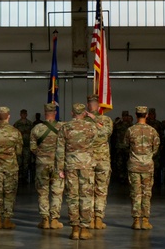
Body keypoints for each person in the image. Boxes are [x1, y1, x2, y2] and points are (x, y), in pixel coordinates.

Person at [57, 103, 98, 240]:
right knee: (86, 196)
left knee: (72, 196)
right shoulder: (91, 127)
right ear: (84, 113)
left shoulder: (65, 127)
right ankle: (84, 229)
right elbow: (97, 138)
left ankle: (74, 229)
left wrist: (59, 168)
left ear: (71, 113)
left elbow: (60, 149)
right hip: (86, 165)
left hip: (70, 165)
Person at [0, 107, 23, 229]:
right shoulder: (15, 132)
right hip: (11, 167)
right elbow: (19, 151)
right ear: (9, 116)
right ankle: (7, 220)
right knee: (10, 193)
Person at [126, 106, 160, 230]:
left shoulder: (130, 130)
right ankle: (145, 221)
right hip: (147, 166)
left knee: (135, 193)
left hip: (134, 165)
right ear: (146, 115)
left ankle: (136, 220)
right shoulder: (152, 131)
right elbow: (156, 147)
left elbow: (126, 144)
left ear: (136, 115)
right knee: (146, 193)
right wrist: (148, 156)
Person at [31, 103, 63, 229]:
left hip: (42, 165)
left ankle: (44, 219)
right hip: (57, 164)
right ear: (55, 113)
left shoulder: (37, 128)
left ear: (45, 113)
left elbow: (33, 147)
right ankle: (54, 220)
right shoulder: (62, 127)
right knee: (57, 192)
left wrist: (43, 155)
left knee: (42, 192)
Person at [86, 95, 113, 229]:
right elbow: (106, 133)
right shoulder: (106, 120)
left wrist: (93, 118)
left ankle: (90, 218)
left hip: (88, 160)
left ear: (88, 106)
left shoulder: (83, 122)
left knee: (88, 190)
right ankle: (98, 218)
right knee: (101, 190)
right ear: (98, 106)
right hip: (103, 160)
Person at [14, 110, 35, 183]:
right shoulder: (17, 124)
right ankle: (19, 177)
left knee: (26, 162)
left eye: (25, 114)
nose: (23, 115)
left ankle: (25, 177)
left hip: (27, 145)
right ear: (20, 114)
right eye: (22, 114)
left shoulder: (30, 124)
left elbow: (33, 135)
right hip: (19, 145)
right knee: (19, 162)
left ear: (26, 114)